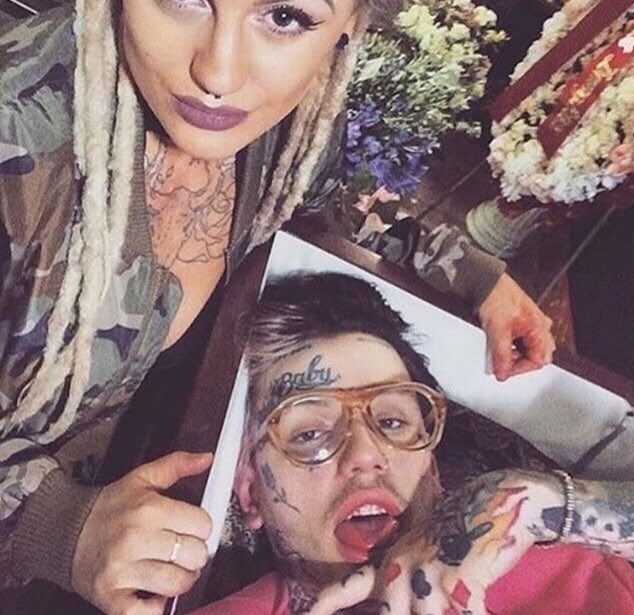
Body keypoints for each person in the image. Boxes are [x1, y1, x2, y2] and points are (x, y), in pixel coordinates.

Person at [0, 1, 556, 613]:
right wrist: (54, 525)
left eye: (286, 17)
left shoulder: (294, 123)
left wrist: (475, 276)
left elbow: (325, 211)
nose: (218, 73)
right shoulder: (14, 151)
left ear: (349, 26)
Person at [189, 273, 634, 615]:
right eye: (309, 435)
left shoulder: (566, 564)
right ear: (251, 493)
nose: (366, 455)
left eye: (392, 421)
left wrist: (538, 502)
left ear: (433, 467)